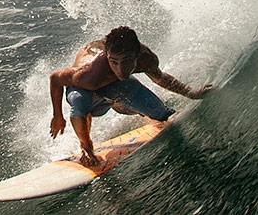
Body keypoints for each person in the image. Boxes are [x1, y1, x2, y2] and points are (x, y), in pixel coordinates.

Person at [49, 26, 212, 165]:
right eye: (114, 62)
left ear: (137, 55)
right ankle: (86, 147)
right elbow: (55, 79)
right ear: (107, 57)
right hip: (85, 89)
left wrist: (191, 93)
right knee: (80, 101)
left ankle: (122, 105)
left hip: (112, 86)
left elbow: (160, 78)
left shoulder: (146, 58)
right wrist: (58, 115)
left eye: (127, 61)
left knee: (161, 114)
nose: (121, 69)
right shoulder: (89, 74)